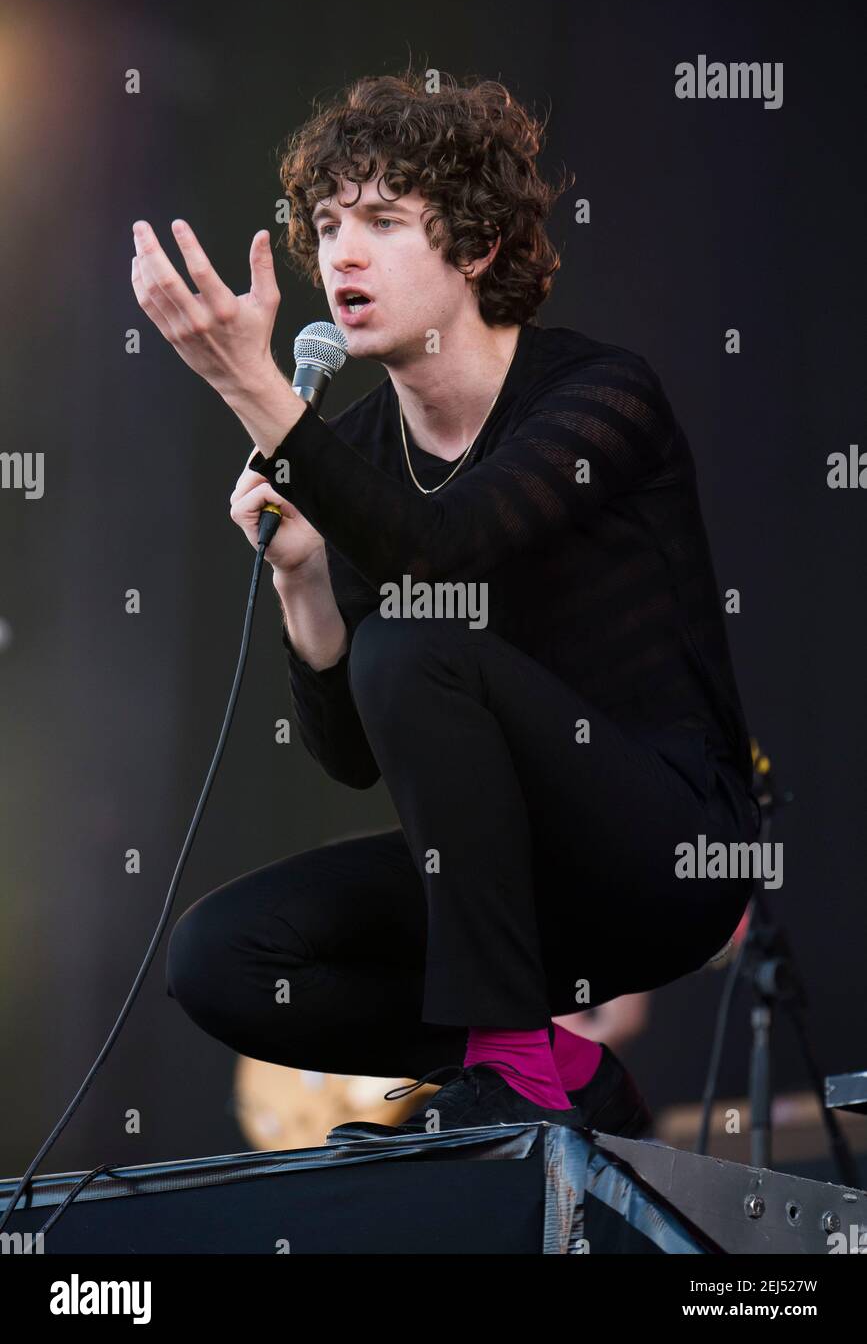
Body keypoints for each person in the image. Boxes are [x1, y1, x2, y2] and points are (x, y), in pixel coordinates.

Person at [134, 71, 761, 1139]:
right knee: (222, 959)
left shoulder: (598, 396)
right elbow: (350, 753)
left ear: (474, 248)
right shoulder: (364, 452)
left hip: (667, 858)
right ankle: (545, 1060)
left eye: (383, 220)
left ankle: (511, 1073)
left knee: (418, 635)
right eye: (327, 224)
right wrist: (301, 577)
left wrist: (259, 393)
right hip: (503, 897)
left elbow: (444, 551)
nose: (340, 253)